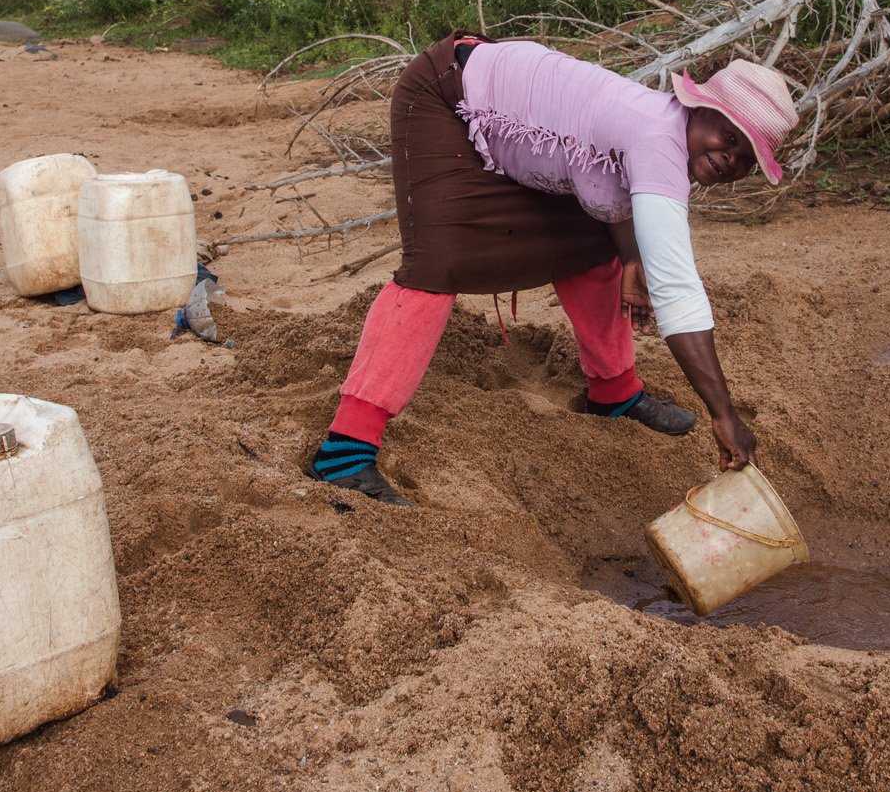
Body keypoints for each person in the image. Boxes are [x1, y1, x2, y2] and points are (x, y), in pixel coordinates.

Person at [307, 33, 799, 505]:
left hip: (519, 119)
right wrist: (724, 415)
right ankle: (345, 452)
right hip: (448, 97)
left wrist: (630, 256)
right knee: (438, 264)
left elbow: (614, 195)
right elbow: (678, 293)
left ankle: (614, 394)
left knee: (590, 237)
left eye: (745, 157)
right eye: (727, 135)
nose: (728, 156)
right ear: (697, 109)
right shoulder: (658, 136)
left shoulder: (673, 135)